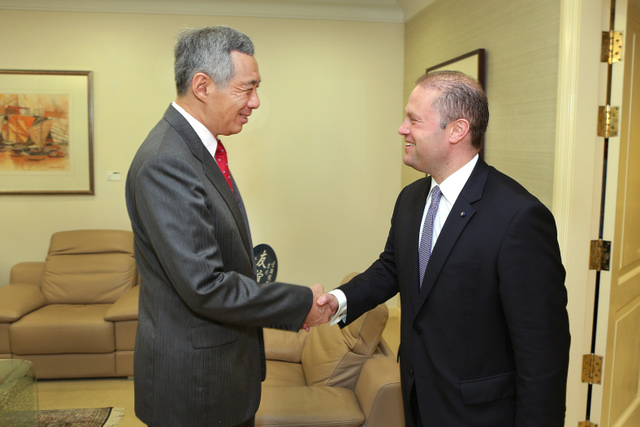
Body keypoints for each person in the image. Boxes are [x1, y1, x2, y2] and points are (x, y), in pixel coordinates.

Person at [318, 71, 570, 427]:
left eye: (414, 120)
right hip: (418, 398)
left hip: (480, 414)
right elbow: (392, 267)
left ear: (457, 130)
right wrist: (338, 300)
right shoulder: (412, 198)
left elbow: (542, 354)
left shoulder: (519, 218)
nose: (402, 129)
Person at [125, 26, 329, 427]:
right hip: (196, 387)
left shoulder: (196, 148)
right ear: (202, 85)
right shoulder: (167, 161)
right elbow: (205, 286)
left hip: (218, 373)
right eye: (246, 89)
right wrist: (300, 302)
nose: (255, 102)